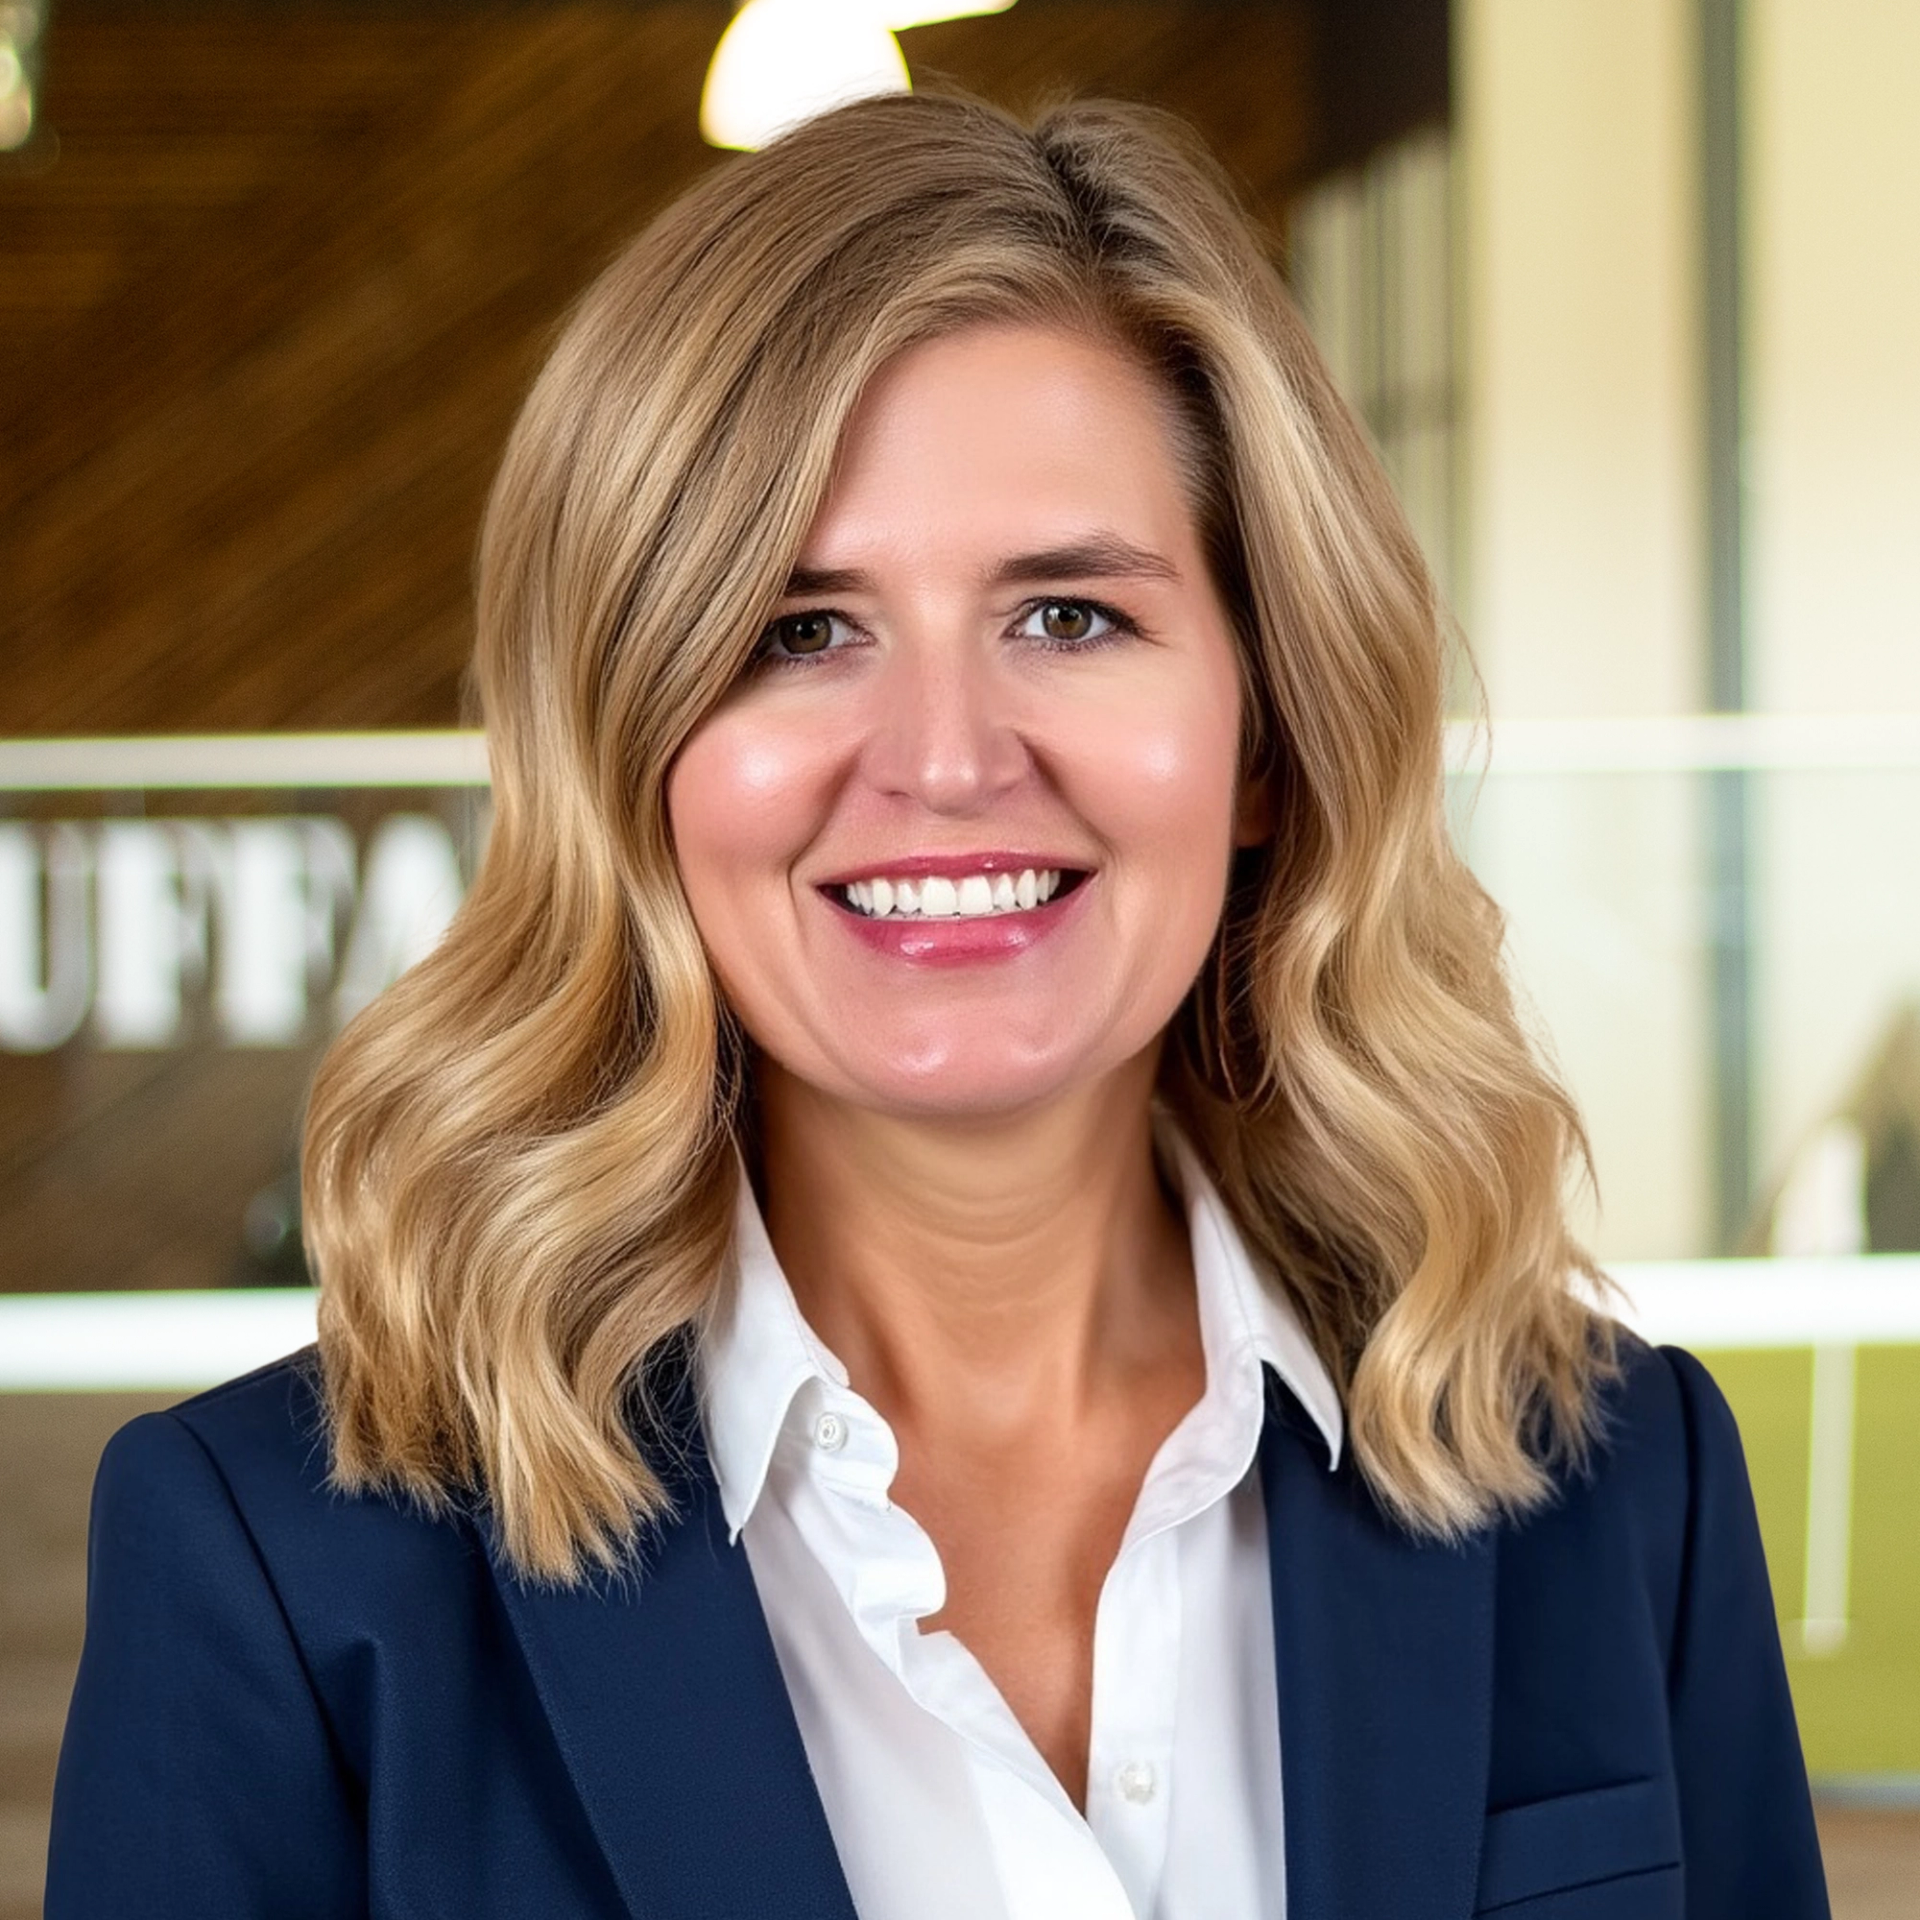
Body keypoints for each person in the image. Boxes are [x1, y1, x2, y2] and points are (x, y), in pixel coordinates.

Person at [46, 88, 1829, 1920]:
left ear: (1268, 735)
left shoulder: (1621, 1493)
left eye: (1067, 615)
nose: (950, 762)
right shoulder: (281, 1566)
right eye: (797, 631)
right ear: (629, 760)